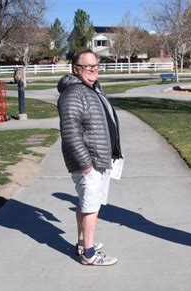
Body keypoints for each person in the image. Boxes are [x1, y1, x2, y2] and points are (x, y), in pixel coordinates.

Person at [57, 49, 122, 266]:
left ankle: (82, 242)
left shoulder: (92, 89)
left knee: (86, 204)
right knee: (91, 206)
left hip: (99, 159)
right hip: (89, 162)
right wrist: (86, 165)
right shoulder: (74, 93)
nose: (94, 70)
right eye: (88, 67)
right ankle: (89, 253)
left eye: (96, 66)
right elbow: (70, 132)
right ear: (76, 69)